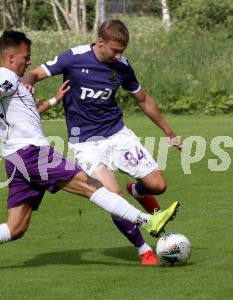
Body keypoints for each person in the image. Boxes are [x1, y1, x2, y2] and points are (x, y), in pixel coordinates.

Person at [0, 30, 179, 272]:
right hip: (34, 154)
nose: (29, 61)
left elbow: (27, 113)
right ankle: (149, 221)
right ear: (11, 57)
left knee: (16, 228)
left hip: (15, 160)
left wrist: (54, 100)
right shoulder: (6, 77)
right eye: (26, 56)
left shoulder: (11, 81)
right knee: (92, 187)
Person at [22, 20, 182, 265]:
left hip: (117, 134)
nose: (119, 55)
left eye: (123, 51)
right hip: (85, 143)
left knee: (158, 185)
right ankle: (143, 250)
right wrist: (29, 83)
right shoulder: (74, 58)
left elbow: (143, 99)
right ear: (100, 42)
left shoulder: (122, 66)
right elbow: (35, 72)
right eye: (115, 50)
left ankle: (138, 190)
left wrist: (168, 131)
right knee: (112, 195)